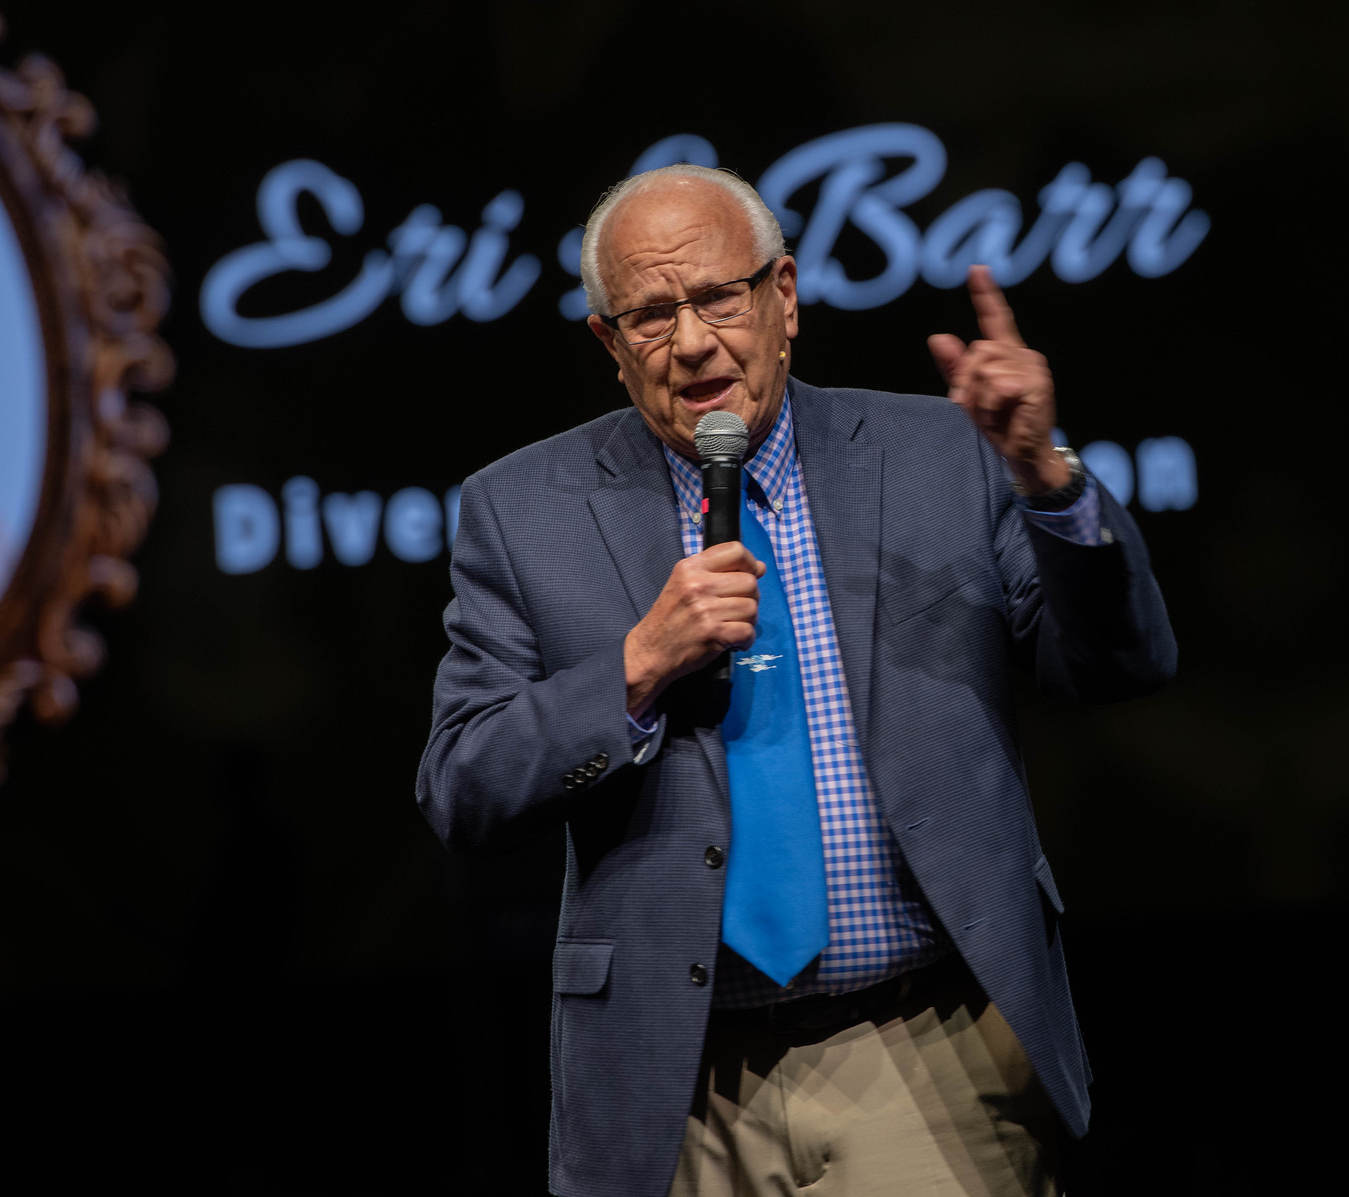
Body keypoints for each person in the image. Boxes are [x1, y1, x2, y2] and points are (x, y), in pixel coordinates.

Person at [418, 164, 1176, 1197]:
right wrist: (636, 666)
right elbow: (463, 784)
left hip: (926, 1050)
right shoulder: (522, 512)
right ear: (606, 342)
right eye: (649, 313)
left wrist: (1045, 476)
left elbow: (1118, 661)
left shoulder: (936, 454)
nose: (690, 343)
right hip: (676, 1077)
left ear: (782, 299)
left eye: (717, 298)